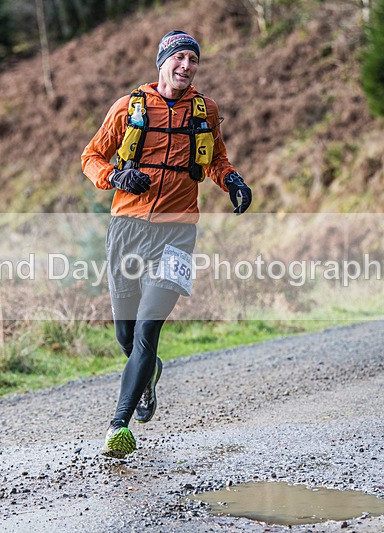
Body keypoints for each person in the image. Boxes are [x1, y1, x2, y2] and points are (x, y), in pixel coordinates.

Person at [81, 30, 252, 458]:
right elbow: (91, 158)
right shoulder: (129, 107)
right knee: (125, 335)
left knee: (147, 329)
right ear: (163, 61)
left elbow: (214, 158)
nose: (186, 66)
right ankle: (149, 374)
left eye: (193, 60)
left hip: (178, 233)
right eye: (179, 58)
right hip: (127, 228)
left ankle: (118, 426)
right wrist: (116, 176)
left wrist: (232, 180)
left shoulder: (205, 110)